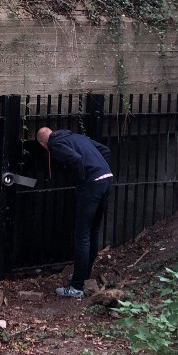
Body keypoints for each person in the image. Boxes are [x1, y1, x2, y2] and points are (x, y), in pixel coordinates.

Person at [36, 126, 114, 299]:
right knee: (93, 232)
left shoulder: (54, 144)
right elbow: (105, 150)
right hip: (106, 179)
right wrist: (99, 169)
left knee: (82, 235)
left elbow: (76, 159)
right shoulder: (77, 136)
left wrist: (81, 181)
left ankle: (77, 287)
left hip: (91, 185)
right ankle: (83, 276)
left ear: (43, 144)